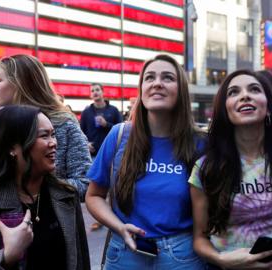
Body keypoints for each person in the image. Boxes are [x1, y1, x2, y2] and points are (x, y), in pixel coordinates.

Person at [85, 54, 205, 269]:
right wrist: (119, 227)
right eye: (149, 78)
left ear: (182, 91)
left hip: (183, 257)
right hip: (125, 254)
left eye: (167, 77)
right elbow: (94, 196)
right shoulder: (119, 135)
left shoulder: (200, 143)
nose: (157, 83)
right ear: (142, 89)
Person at [189, 70, 272, 270]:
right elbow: (199, 238)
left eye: (254, 89)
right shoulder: (205, 169)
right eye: (233, 92)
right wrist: (223, 260)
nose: (245, 95)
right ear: (225, 110)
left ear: (268, 107)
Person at [0, 105, 90, 269]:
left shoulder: (66, 196)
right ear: (12, 147)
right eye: (44, 136)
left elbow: (81, 262)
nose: (53, 143)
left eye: (53, 134)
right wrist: (5, 257)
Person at [0, 54, 91, 200]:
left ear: (20, 83)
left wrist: (31, 190)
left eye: (0, 80)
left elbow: (85, 185)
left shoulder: (64, 124)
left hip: (54, 221)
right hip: (0, 220)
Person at [80, 83, 122, 157]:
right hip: (92, 154)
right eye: (92, 91)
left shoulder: (113, 110)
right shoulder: (86, 112)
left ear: (103, 92)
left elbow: (121, 130)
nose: (95, 92)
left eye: (97, 90)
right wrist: (85, 144)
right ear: (90, 95)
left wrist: (106, 124)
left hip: (110, 153)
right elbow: (80, 132)